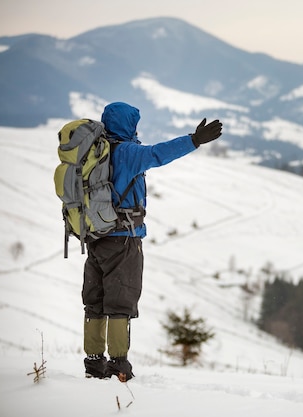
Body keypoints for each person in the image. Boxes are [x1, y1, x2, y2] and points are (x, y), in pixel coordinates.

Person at [82, 102, 222, 380]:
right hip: (123, 240)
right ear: (128, 125)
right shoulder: (127, 153)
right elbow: (158, 154)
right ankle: (118, 365)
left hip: (95, 237)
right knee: (121, 302)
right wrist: (194, 140)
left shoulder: (92, 152)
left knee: (94, 302)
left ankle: (93, 363)